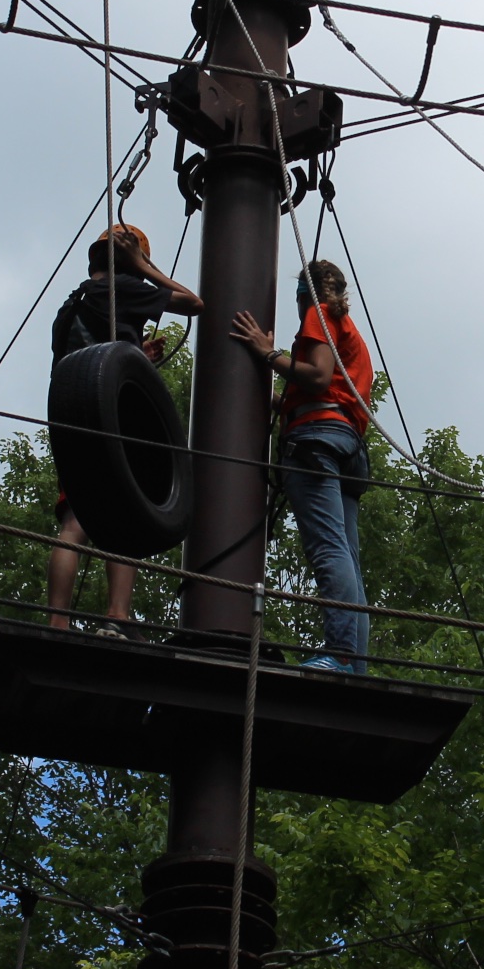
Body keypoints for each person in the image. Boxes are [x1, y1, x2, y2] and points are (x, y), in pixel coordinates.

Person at [45, 223, 202, 633]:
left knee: (76, 522)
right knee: (127, 514)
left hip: (72, 419)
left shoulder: (72, 306)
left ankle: (57, 621)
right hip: (116, 418)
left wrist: (135, 355)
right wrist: (143, 267)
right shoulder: (124, 288)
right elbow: (194, 303)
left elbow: (90, 358)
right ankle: (117, 614)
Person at [228, 260, 373, 673]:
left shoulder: (319, 314)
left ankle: (341, 654)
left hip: (316, 440)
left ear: (303, 296)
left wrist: (267, 352)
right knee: (347, 555)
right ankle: (355, 663)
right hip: (345, 443)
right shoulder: (353, 336)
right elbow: (324, 394)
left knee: (329, 549)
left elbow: (318, 378)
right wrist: (274, 390)